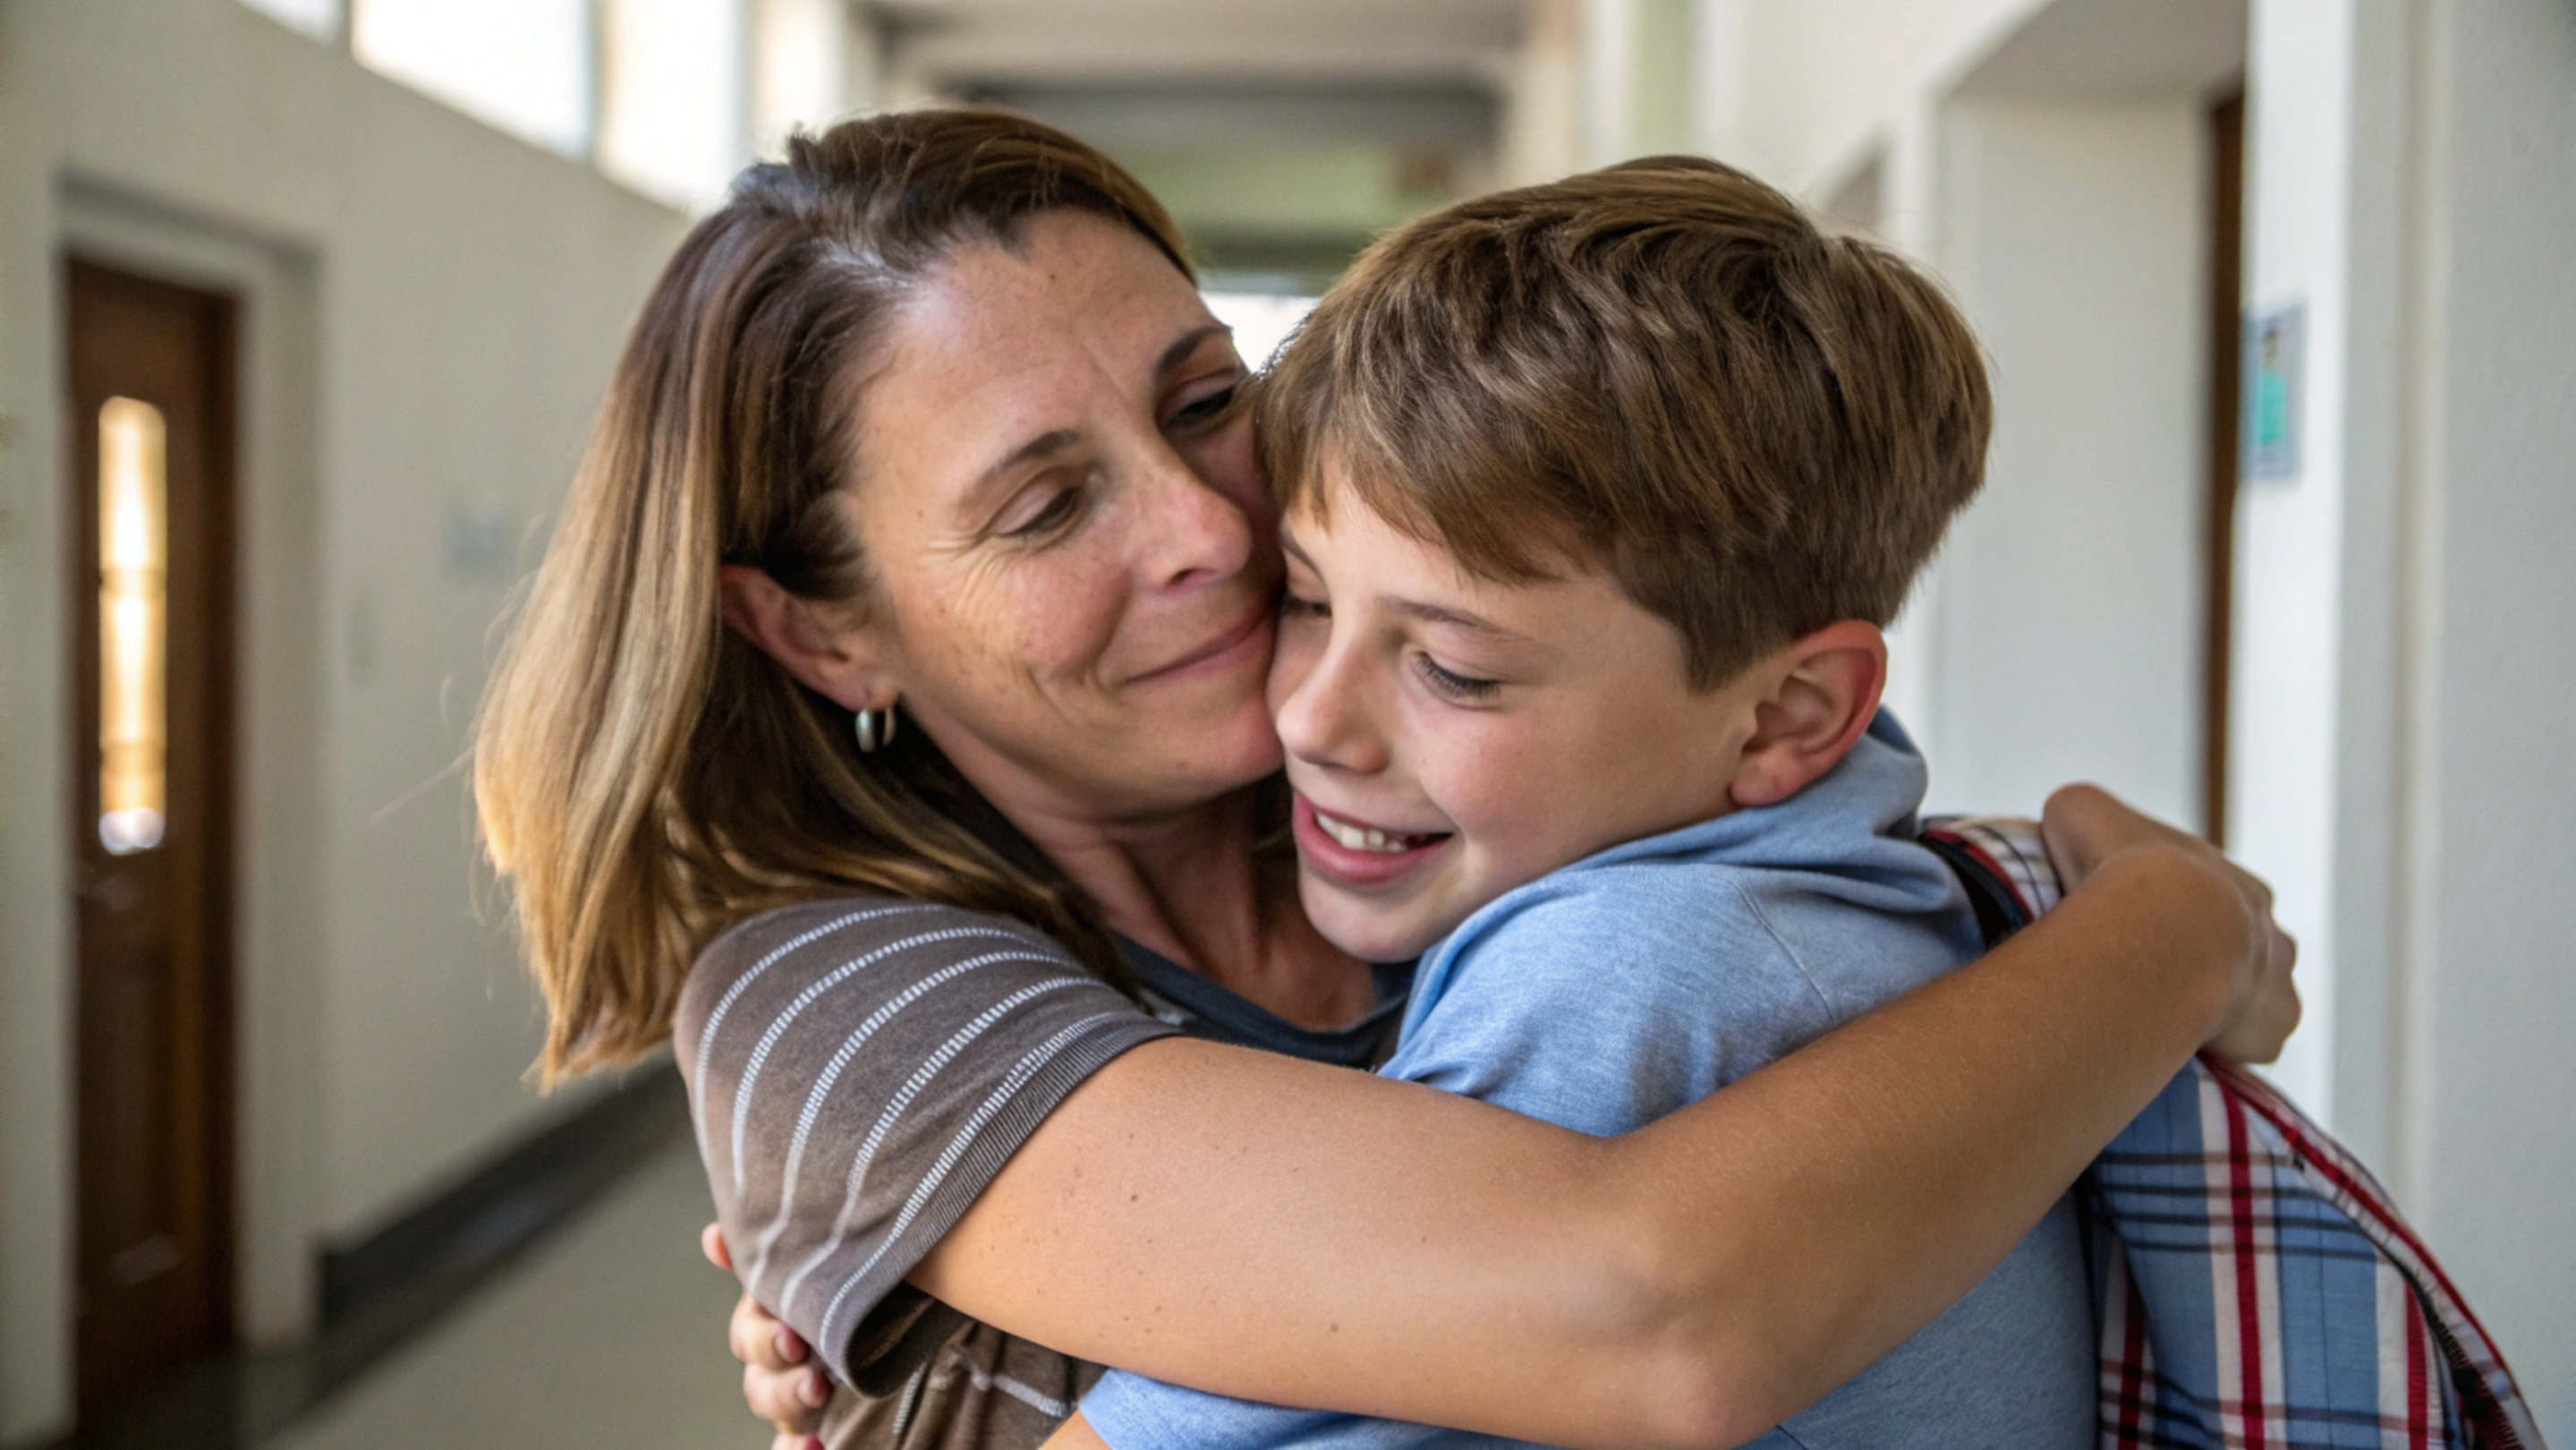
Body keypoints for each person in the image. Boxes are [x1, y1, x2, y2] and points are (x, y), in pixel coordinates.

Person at [471, 108, 2295, 1450]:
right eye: (1042, 505)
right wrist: (2164, 931)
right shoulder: (837, 1001)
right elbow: (1650, 1310)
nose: (1204, 522)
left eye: (1203, 399)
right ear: (823, 636)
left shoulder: (1452, 820)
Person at [1066, 155, 2091, 1450]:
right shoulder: (1854, 890)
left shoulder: (1633, 977)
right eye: (1310, 600)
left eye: (1454, 667)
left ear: (1785, 715)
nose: (1308, 718)